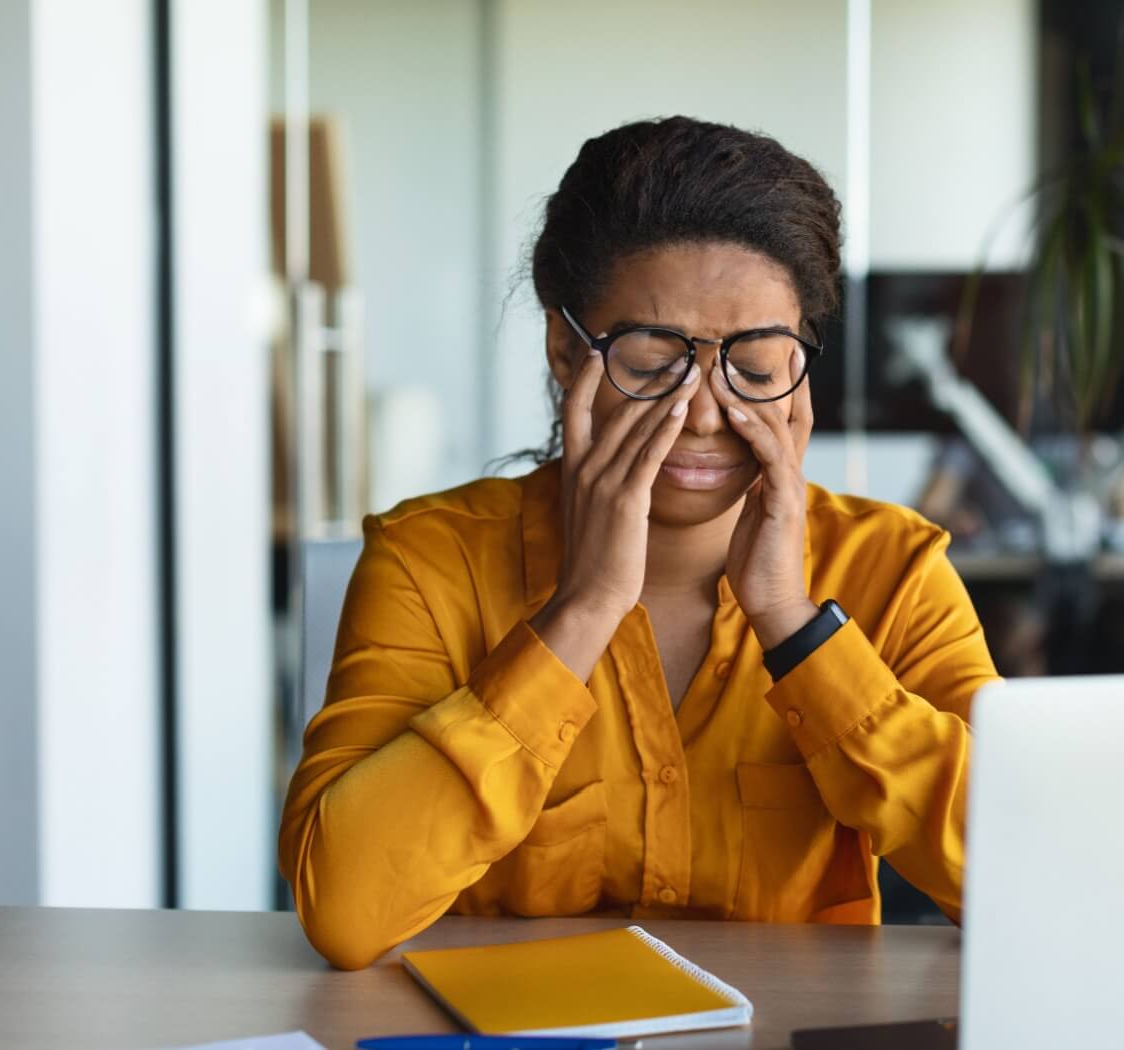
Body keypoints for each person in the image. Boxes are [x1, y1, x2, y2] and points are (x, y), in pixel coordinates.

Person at [278, 116, 1000, 970]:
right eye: (654, 362)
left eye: (757, 368)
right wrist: (581, 611)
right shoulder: (429, 561)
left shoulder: (893, 569)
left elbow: (1025, 879)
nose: (701, 410)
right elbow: (346, 910)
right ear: (563, 349)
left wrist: (793, 623)